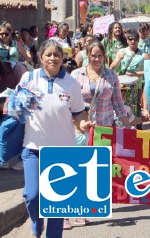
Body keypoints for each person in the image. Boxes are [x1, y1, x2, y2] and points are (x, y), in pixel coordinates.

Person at [20, 39, 91, 238]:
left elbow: (78, 115)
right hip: (33, 148)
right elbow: (16, 105)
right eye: (48, 54)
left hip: (62, 151)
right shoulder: (29, 78)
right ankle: (36, 220)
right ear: (40, 57)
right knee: (32, 196)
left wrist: (83, 125)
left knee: (57, 205)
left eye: (57, 55)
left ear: (62, 58)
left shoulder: (71, 84)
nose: (53, 58)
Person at [71, 41, 131, 128]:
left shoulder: (111, 75)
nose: (97, 59)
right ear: (87, 55)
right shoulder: (76, 75)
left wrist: (128, 125)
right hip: (83, 128)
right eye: (93, 56)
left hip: (105, 127)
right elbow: (71, 102)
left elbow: (117, 102)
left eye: (100, 56)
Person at [110, 31, 148, 117]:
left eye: (135, 39)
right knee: (122, 106)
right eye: (130, 39)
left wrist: (135, 73)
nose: (132, 41)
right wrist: (118, 59)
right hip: (123, 85)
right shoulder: (121, 52)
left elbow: (149, 72)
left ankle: (137, 127)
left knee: (135, 107)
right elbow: (111, 68)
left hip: (136, 85)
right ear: (127, 40)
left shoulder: (143, 54)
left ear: (138, 41)